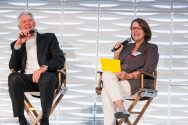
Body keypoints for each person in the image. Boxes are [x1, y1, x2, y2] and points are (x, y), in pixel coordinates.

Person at [8, 11, 65, 125]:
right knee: (13, 77)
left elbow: (59, 58)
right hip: (27, 80)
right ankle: (21, 119)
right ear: (20, 27)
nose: (27, 23)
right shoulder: (16, 44)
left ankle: (44, 119)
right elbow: (13, 66)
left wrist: (43, 68)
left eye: (29, 20)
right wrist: (19, 44)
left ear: (34, 23)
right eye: (24, 22)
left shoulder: (49, 37)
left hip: (46, 77)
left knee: (47, 77)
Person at [100, 18, 159, 125]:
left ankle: (119, 109)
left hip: (139, 82)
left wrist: (129, 75)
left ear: (145, 30)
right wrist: (117, 53)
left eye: (138, 28)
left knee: (105, 91)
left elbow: (149, 68)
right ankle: (121, 107)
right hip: (119, 81)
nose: (135, 31)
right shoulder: (126, 47)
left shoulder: (151, 48)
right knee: (107, 72)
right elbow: (115, 67)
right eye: (133, 28)